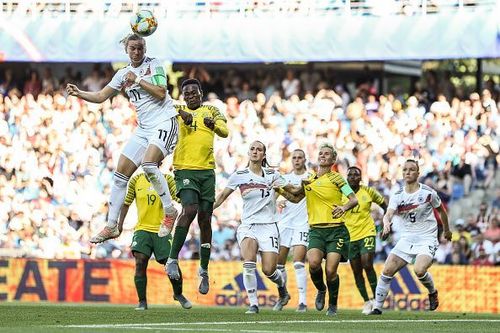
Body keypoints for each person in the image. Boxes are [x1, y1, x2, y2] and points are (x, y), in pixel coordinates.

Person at [66, 34, 190, 243]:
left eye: (140, 48)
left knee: (149, 165)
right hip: (144, 129)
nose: (137, 52)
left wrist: (138, 80)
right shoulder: (122, 74)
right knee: (120, 174)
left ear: (145, 48)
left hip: (165, 121)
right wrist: (80, 93)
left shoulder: (154, 65)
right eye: (133, 48)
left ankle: (169, 211)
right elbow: (101, 96)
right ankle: (112, 225)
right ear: (126, 50)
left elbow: (161, 92)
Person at [278, 143, 358, 316]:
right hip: (316, 230)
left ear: (333, 159)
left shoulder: (337, 179)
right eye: (320, 153)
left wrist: (343, 208)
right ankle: (321, 289)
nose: (322, 155)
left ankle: (333, 304)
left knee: (330, 271)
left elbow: (353, 200)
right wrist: (277, 187)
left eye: (327, 154)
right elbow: (294, 197)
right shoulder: (309, 180)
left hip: (336, 231)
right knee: (313, 264)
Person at [165, 78, 228, 295]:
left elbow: (224, 131)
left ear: (201, 93)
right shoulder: (176, 110)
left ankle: (204, 270)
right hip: (184, 169)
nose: (190, 96)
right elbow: (161, 106)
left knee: (205, 219)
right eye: (186, 93)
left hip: (207, 172)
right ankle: (172, 260)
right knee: (189, 209)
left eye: (194, 92)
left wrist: (214, 125)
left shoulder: (211, 110)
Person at [213, 141, 290, 314]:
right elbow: (222, 197)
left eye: (259, 149)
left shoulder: (273, 175)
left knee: (269, 269)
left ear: (263, 155)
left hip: (269, 226)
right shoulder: (239, 175)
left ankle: (282, 289)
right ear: (249, 153)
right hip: (248, 225)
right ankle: (253, 304)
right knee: (249, 263)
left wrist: (282, 197)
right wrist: (206, 210)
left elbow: (287, 191)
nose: (255, 152)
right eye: (253, 149)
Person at [370, 159, 452, 315]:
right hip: (407, 238)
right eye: (405, 170)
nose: (407, 172)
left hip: (427, 237)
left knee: (419, 270)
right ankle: (377, 308)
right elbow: (388, 214)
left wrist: (446, 230)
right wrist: (386, 223)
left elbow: (441, 211)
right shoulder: (398, 195)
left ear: (418, 173)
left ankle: (432, 292)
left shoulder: (428, 193)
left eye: (411, 169)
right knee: (387, 270)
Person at [117, 170, 191, 310]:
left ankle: (178, 293)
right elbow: (126, 203)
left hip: (162, 229)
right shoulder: (136, 180)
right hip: (142, 229)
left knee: (170, 264)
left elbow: (179, 197)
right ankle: (142, 302)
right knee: (140, 261)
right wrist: (119, 225)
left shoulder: (167, 179)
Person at [343, 166, 387, 314]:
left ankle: (376, 300)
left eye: (356, 175)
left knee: (367, 264)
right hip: (349, 236)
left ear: (360, 178)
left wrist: (386, 223)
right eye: (350, 175)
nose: (353, 177)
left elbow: (384, 205)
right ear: (346, 177)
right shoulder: (340, 192)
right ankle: (366, 301)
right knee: (356, 271)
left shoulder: (368, 191)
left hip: (367, 232)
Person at [273, 149, 311, 312]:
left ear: (304, 159)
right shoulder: (285, 178)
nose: (296, 160)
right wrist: (277, 203)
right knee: (278, 265)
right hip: (285, 224)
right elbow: (274, 199)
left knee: (298, 263)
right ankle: (284, 295)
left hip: (303, 224)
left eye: (299, 157)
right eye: (294, 158)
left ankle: (302, 301)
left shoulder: (310, 178)